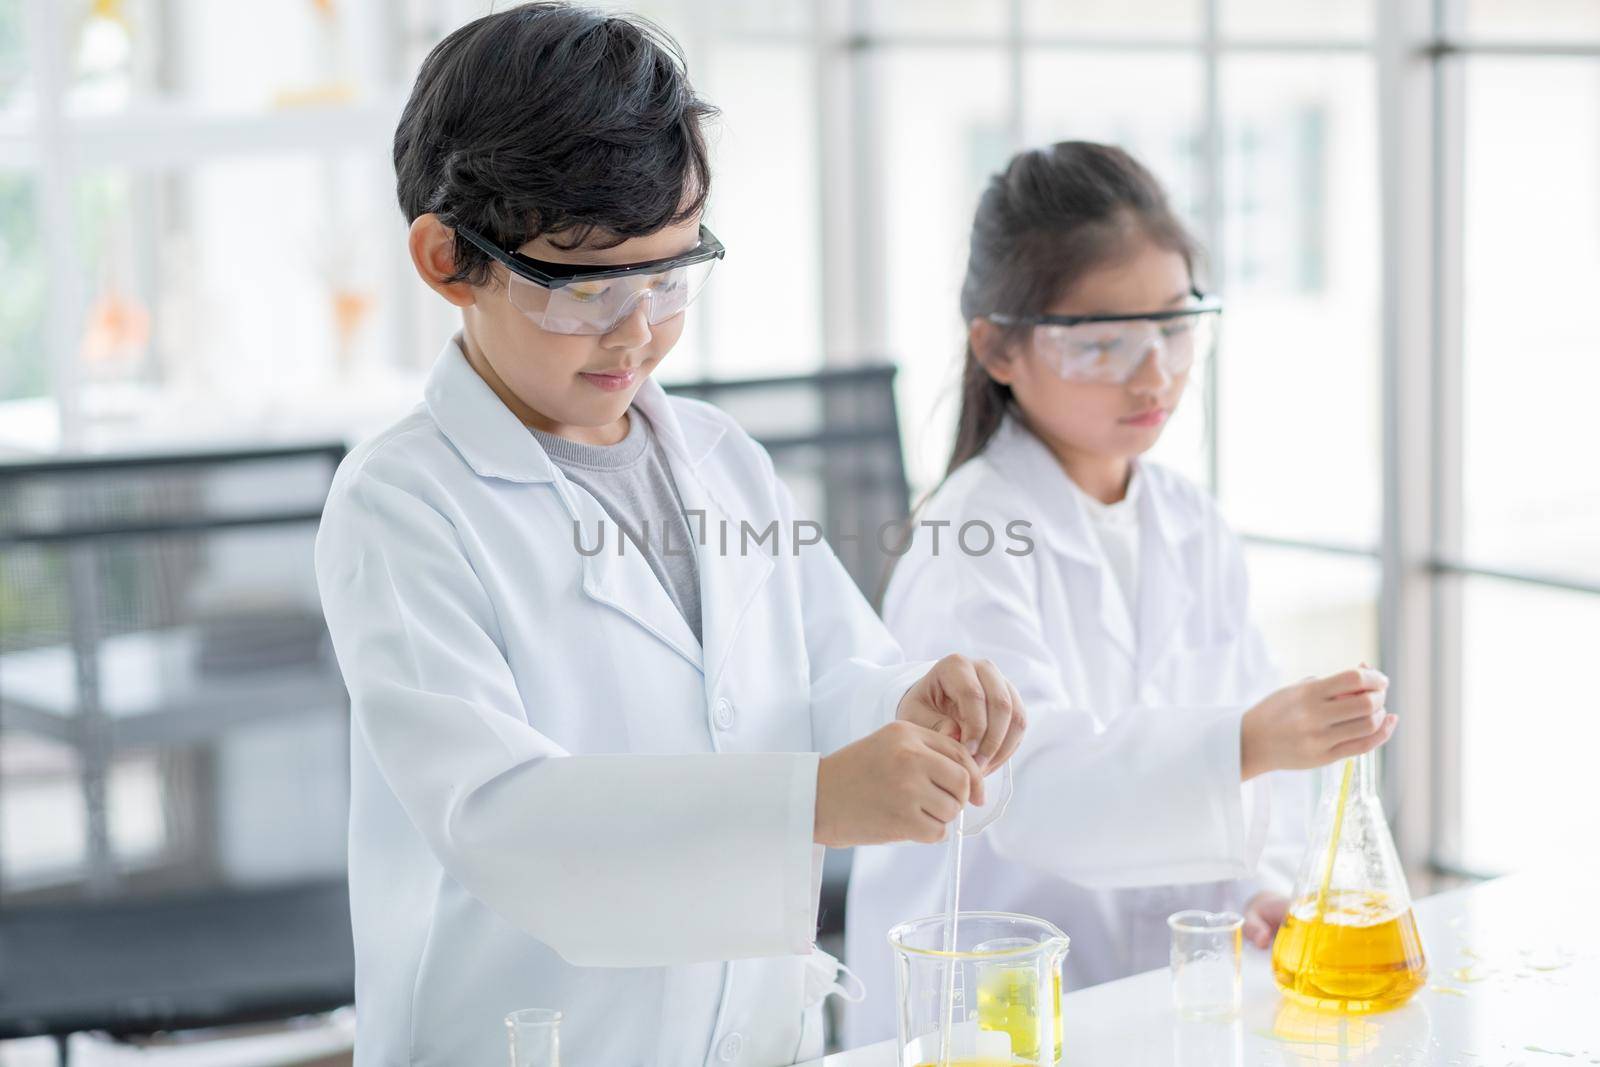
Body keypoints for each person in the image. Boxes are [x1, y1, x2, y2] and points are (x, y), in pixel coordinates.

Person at [313, 7, 1023, 1064]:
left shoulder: (722, 457)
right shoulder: (403, 504)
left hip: (747, 1029)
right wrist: (815, 798)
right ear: (448, 257)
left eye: (670, 274)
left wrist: (903, 703)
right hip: (528, 1036)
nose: (637, 327)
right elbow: (502, 818)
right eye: (589, 285)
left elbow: (823, 673)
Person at [843, 141, 1395, 1046]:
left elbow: (1259, 779)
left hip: (1156, 991)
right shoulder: (971, 538)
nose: (1155, 374)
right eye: (1103, 342)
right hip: (984, 1015)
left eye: (1175, 329)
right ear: (998, 346)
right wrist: (1247, 741)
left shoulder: (1187, 519)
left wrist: (1258, 886)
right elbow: (1031, 791)